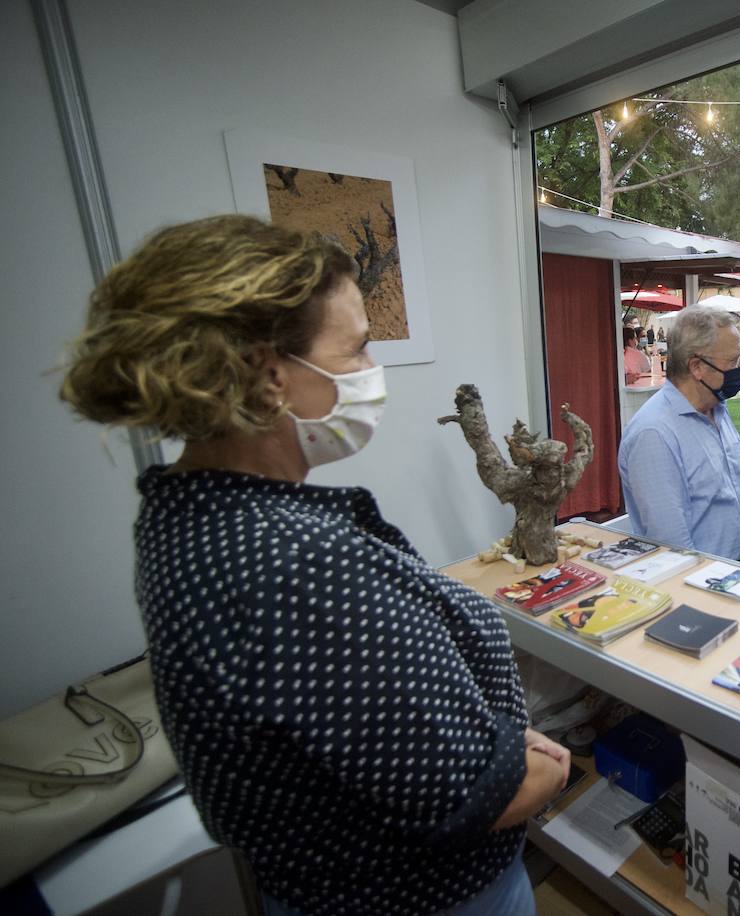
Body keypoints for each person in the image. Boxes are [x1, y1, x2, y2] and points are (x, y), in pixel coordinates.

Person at [58, 215, 568, 916]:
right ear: (271, 376)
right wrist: (541, 766)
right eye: (357, 349)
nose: (371, 372)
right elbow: (474, 794)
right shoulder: (294, 565)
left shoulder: (187, 513)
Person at [618, 306, 740, 561]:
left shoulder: (717, 408)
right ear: (697, 367)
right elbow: (673, 547)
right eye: (733, 361)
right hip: (700, 584)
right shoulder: (654, 434)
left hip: (736, 568)